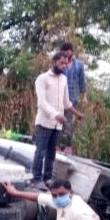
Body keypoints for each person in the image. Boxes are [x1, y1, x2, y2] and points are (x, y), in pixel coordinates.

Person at [32, 52, 85, 184]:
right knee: (40, 151)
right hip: (45, 121)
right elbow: (42, 102)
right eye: (62, 63)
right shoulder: (42, 78)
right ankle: (36, 179)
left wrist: (77, 114)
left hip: (58, 124)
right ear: (54, 62)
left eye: (66, 64)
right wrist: (55, 114)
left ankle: (48, 179)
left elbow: (66, 102)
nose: (64, 66)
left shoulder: (64, 79)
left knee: (51, 153)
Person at [59, 42, 88, 155]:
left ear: (72, 51)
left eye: (68, 50)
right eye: (64, 51)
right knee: (58, 122)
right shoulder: (60, 64)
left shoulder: (79, 65)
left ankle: (67, 147)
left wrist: (84, 97)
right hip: (59, 99)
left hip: (73, 99)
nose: (66, 53)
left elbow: (82, 82)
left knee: (69, 123)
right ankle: (57, 146)